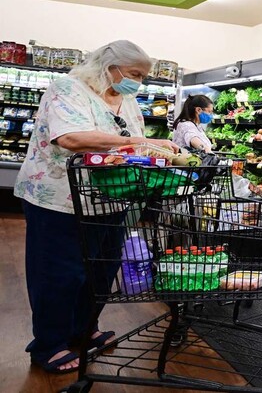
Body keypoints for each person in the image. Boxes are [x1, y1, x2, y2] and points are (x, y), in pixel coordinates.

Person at [14, 40, 179, 374]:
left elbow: (132, 142)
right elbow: (71, 138)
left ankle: (82, 330)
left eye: (143, 76)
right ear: (108, 66)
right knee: (59, 274)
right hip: (60, 199)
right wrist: (142, 143)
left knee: (101, 271)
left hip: (110, 199)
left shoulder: (127, 99)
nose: (139, 82)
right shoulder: (68, 88)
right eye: (135, 74)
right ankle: (49, 344)